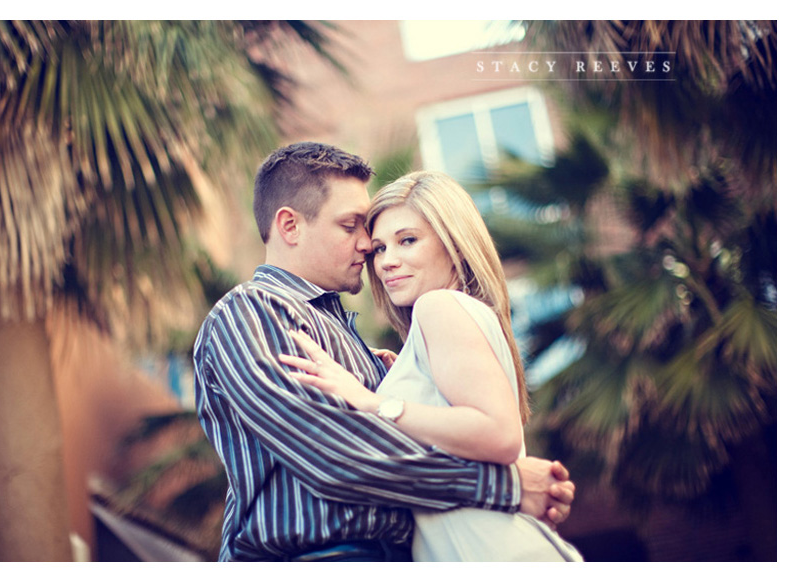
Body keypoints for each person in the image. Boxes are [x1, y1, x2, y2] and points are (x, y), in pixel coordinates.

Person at [193, 142, 575, 562]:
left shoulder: (357, 339)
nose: (368, 246)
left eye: (400, 239)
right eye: (350, 226)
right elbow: (334, 454)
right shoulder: (253, 311)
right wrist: (506, 487)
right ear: (290, 226)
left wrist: (406, 382)